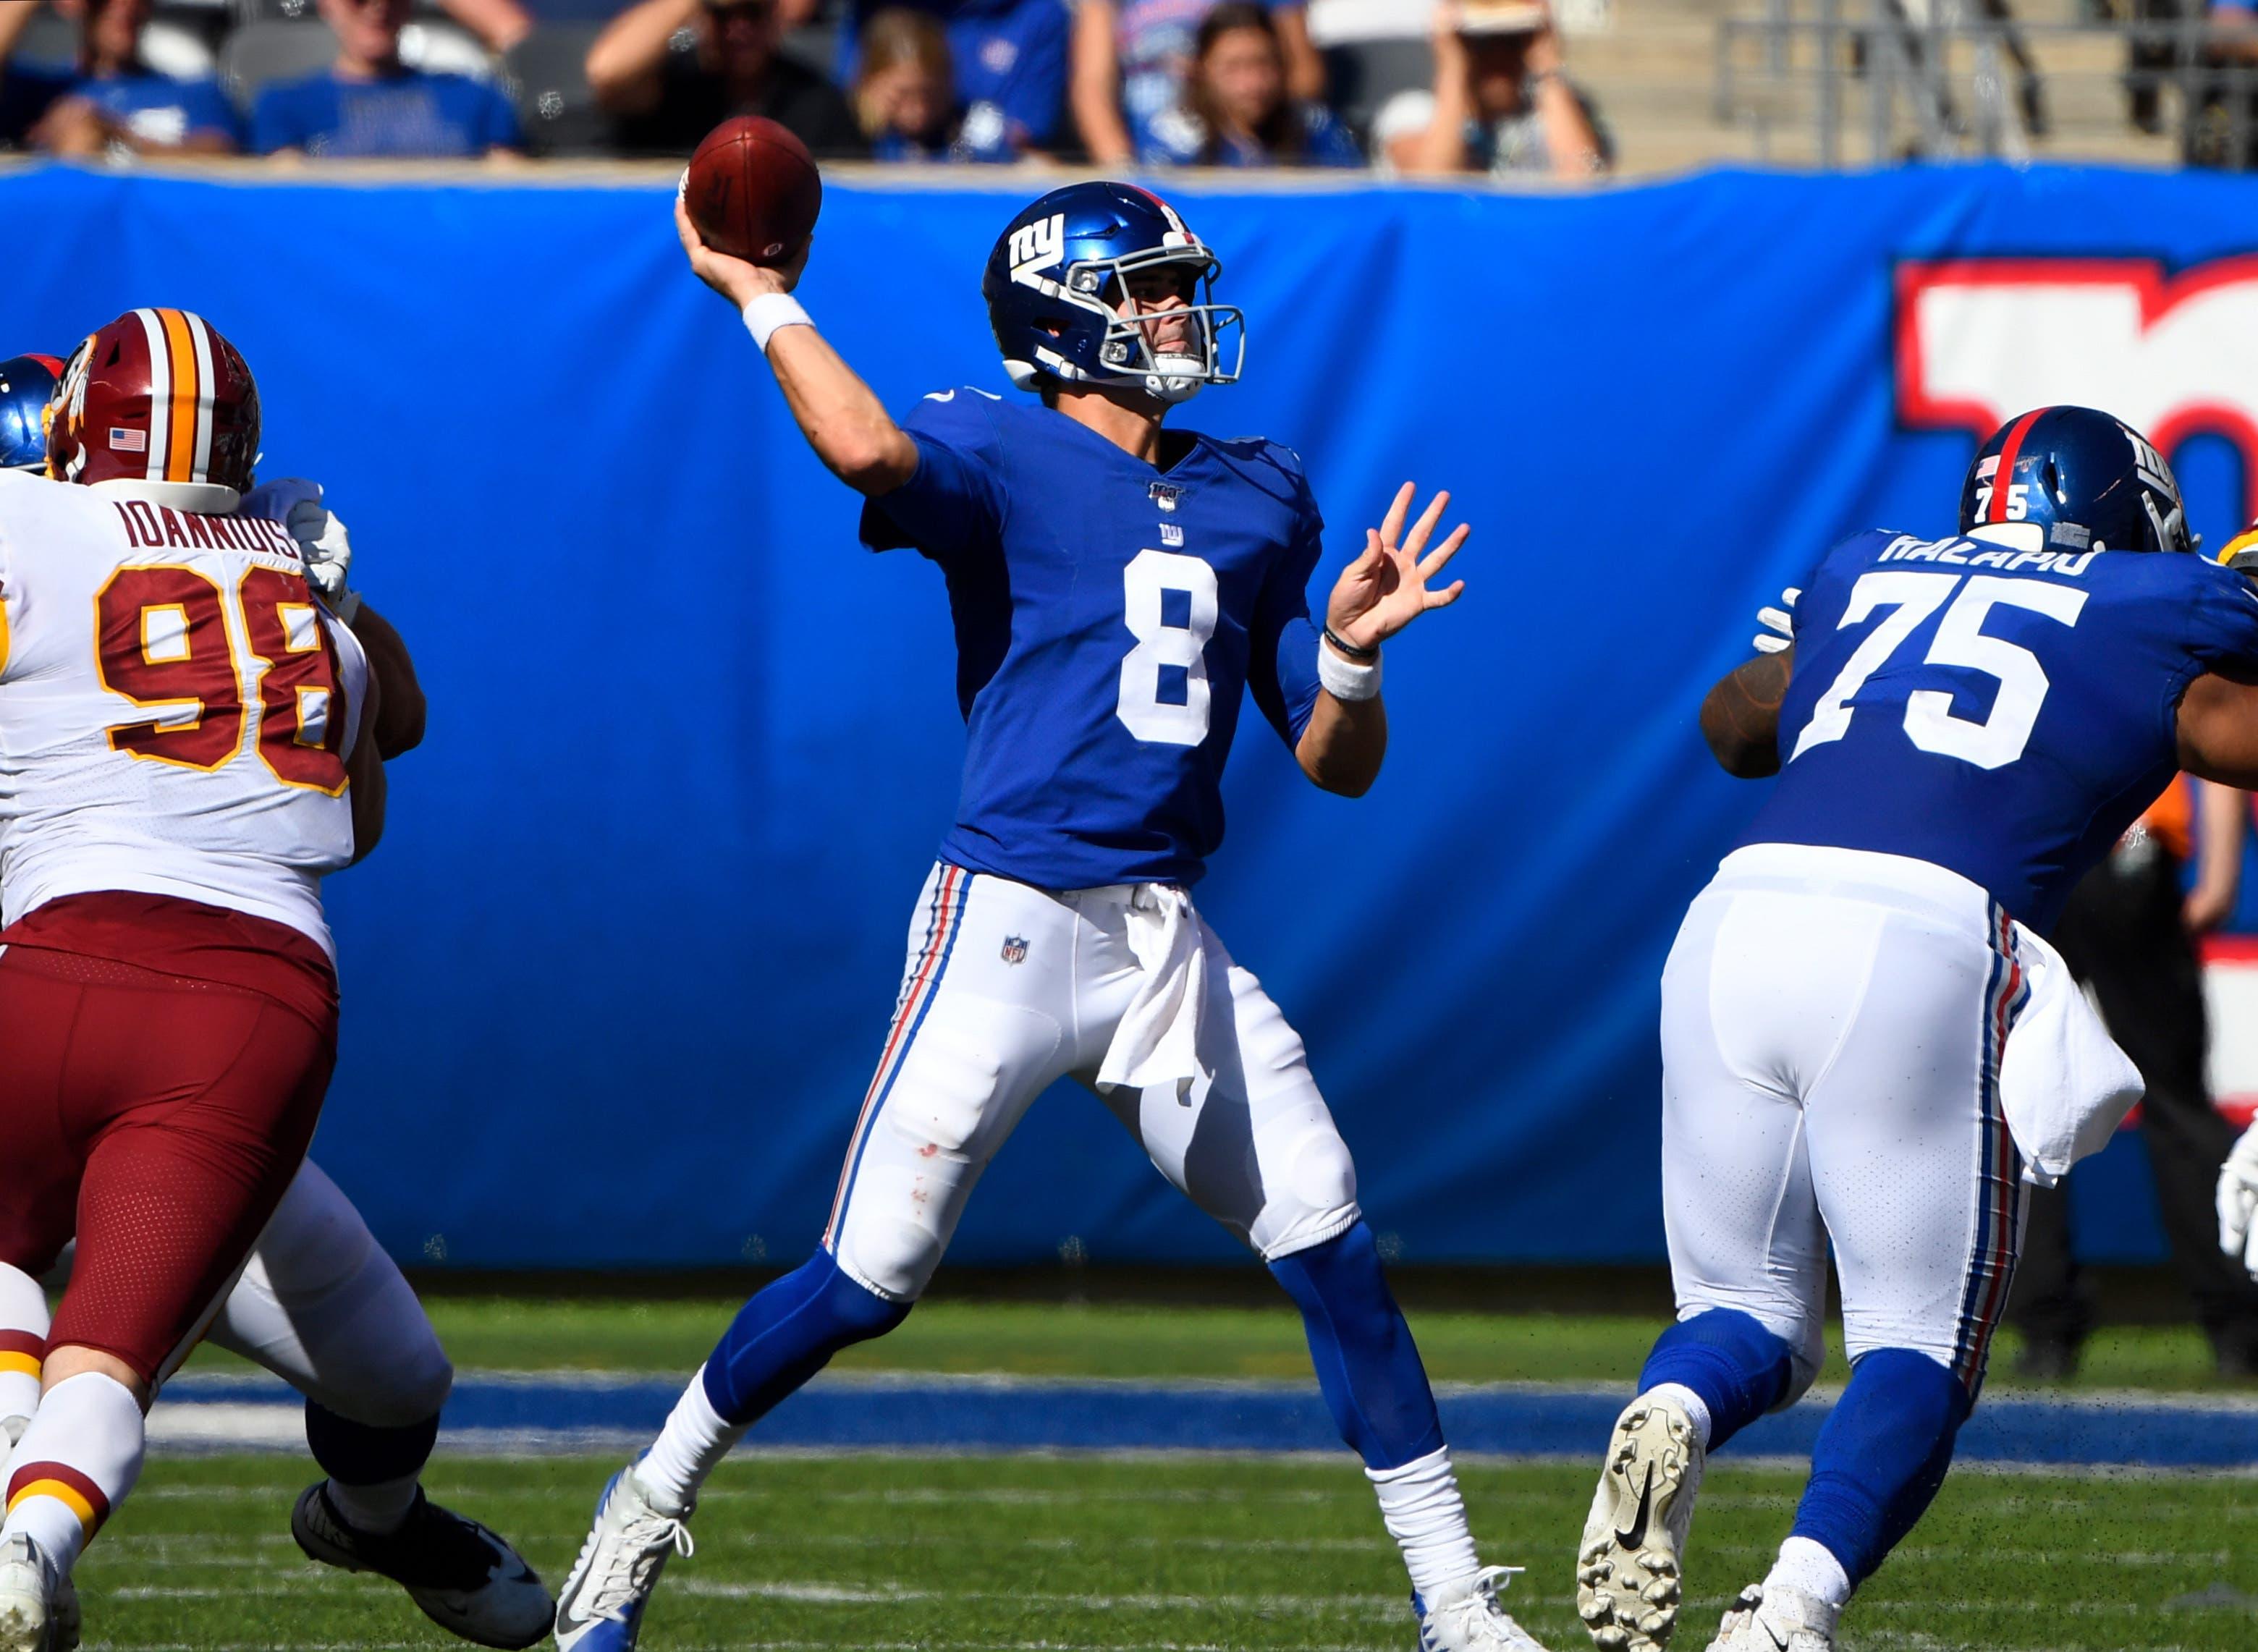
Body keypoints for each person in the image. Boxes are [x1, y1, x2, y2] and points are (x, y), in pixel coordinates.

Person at [551, 180, 1549, 1652]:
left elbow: (1334, 766)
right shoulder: (994, 438)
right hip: (1008, 912)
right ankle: (642, 1505)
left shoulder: (1256, 487)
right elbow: (867, 448)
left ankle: (1457, 1605)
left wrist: (1346, 654)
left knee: (1331, 1233)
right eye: (1146, 287)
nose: (1176, 310)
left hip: (1162, 935)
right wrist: (760, 295)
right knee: (866, 1278)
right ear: (1068, 315)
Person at [1577, 406, 2258, 1652]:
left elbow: (1735, 730)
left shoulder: (1861, 563)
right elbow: (2236, 734)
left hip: (1733, 920)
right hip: (1922, 934)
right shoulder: (2157, 597)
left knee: (1748, 1315)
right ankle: (1789, 1608)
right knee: (1920, 1344)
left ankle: (1673, 1399)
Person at [0, 311, 538, 1651]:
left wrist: (324, 605)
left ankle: (367, 1520)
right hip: (208, 1008)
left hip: (90, 1002)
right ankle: (29, 1543)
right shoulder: (272, 604)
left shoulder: (38, 543)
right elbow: (367, 788)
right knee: (72, 1339)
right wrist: (317, 601)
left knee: (396, 1371)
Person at [2008, 775, 2258, 1379]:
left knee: (2030, 1099)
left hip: (2039, 846)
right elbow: (2208, 724)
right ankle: (2238, 1326)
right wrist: (2221, 869)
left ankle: (2044, 1328)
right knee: (2175, 1102)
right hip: (2129, 843)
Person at [585, 0, 865, 158]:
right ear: (701, 17)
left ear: (775, 18)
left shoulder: (816, 99)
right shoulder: (674, 84)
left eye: (753, 13)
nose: (739, 28)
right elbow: (606, 71)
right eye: (723, 15)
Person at [250, 0, 521, 158]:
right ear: (326, 4)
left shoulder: (475, 98)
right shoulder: (286, 105)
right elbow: (286, 205)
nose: (377, 7)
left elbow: (507, 191)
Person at [1070, 0, 1323, 166]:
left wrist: (1260, 136)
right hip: (1150, 157)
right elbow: (1092, 87)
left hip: (1246, 154)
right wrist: (1127, 174)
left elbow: (1304, 73)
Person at [1392, 0, 1606, 180]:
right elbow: (1428, 188)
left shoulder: (1560, 112)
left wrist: (1547, 65)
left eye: (1513, 41)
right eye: (1481, 42)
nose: (1498, 57)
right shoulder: (1413, 113)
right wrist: (1453, 68)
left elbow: (1584, 179)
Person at [0, 0, 239, 158]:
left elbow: (224, 157)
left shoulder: (195, 90)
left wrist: (116, 137)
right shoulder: (38, 92)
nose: (125, 6)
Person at [840, 0, 1071, 161]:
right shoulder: (847, 138)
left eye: (928, 95)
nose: (917, 110)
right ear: (869, 83)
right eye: (901, 95)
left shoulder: (973, 136)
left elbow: (1028, 162)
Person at [1148, 1, 1358, 165]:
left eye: (1263, 64)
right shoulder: (1174, 139)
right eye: (1233, 67)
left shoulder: (1314, 127)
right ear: (1203, 69)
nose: (1252, 84)